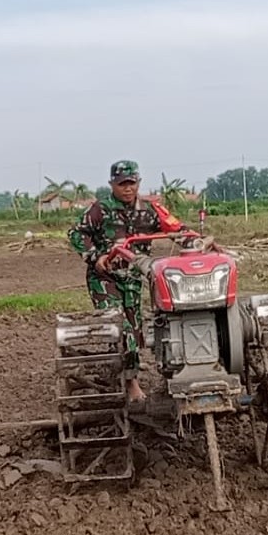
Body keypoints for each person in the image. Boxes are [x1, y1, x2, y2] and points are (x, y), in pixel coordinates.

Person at [68, 159, 188, 403]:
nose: (128, 188)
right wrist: (96, 256)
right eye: (122, 184)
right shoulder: (100, 210)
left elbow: (176, 229)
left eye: (131, 183)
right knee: (120, 327)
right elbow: (76, 233)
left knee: (135, 330)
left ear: (139, 183)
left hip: (133, 279)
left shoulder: (149, 210)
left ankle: (125, 370)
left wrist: (196, 242)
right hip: (105, 278)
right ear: (112, 184)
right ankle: (131, 384)